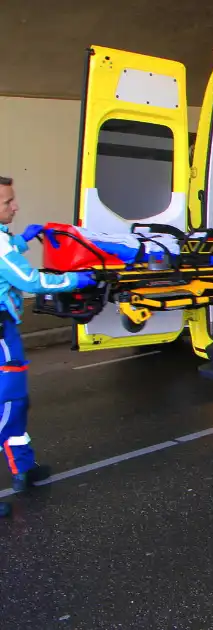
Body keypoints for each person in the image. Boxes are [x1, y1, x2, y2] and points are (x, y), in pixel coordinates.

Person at [0, 175, 96, 500]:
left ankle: (23, 469)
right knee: (8, 404)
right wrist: (76, 280)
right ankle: (21, 470)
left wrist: (24, 240)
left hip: (6, 332)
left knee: (16, 404)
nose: (16, 206)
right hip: (1, 337)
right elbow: (29, 281)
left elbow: (8, 253)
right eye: (7, 202)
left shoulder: (3, 241)